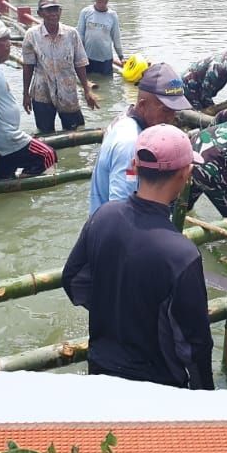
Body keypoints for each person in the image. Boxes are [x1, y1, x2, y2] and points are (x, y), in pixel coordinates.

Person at [62, 124, 213, 390]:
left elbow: (73, 282)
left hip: (101, 368)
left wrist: (114, 307)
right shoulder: (182, 254)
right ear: (184, 174)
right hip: (155, 384)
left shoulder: (103, 216)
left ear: (134, 166)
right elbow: (194, 345)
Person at [89, 61, 190, 213]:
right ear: (142, 105)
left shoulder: (125, 119)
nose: (171, 118)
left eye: (174, 111)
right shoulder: (130, 143)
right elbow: (121, 210)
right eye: (166, 111)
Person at [0, 19, 57, 180]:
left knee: (1, 178)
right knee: (48, 155)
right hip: (3, 139)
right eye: (4, 40)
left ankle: (11, 194)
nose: (9, 44)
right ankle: (24, 187)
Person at [21, 0, 98, 134]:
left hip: (68, 92)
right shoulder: (31, 35)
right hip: (41, 92)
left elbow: (79, 63)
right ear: (40, 14)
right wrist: (25, 94)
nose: (53, 14)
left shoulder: (71, 34)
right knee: (45, 134)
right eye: (48, 10)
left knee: (75, 131)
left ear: (60, 11)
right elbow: (28, 66)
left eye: (56, 9)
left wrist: (87, 90)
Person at [75, 0, 123, 77]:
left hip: (106, 58)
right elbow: (80, 34)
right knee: (88, 81)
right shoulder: (85, 12)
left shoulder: (112, 15)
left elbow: (116, 37)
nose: (103, 0)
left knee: (107, 82)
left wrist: (121, 56)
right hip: (88, 57)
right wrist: (79, 55)